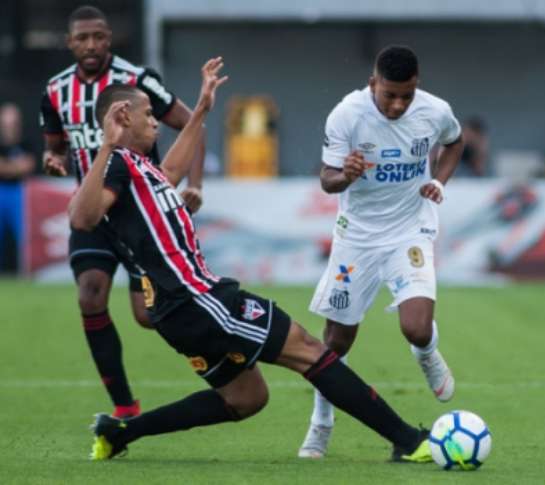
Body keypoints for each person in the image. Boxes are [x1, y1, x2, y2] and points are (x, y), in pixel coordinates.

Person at [71, 57, 431, 464]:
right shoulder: (116, 163)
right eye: (148, 115)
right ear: (122, 117)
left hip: (179, 309)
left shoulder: (142, 169)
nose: (156, 122)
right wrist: (106, 144)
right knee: (309, 349)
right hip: (197, 299)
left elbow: (172, 168)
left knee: (246, 397)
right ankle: (408, 440)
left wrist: (203, 107)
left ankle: (121, 432)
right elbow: (82, 218)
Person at [39, 5, 205, 418]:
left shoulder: (137, 80)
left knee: (148, 316)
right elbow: (57, 143)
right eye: (83, 38)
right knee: (90, 293)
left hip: (140, 215)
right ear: (69, 42)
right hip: (94, 211)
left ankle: (219, 351)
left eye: (98, 36)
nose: (91, 45)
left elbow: (189, 124)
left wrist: (195, 184)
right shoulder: (55, 91)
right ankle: (124, 408)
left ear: (109, 38)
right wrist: (53, 158)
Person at [299, 45, 464, 458]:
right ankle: (321, 421)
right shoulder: (347, 115)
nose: (397, 104)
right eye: (389, 94)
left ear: (416, 86)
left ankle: (426, 355)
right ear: (373, 83)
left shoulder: (435, 110)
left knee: (417, 328)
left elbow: (455, 142)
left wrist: (440, 182)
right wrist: (346, 175)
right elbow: (326, 180)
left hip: (410, 229)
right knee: (336, 342)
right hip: (357, 237)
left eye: (406, 95)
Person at [0, 103, 35, 273]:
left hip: (20, 192)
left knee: (24, 233)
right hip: (1, 191)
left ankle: (27, 271)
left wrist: (8, 167)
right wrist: (16, 167)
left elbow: (28, 166)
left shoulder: (26, 142)